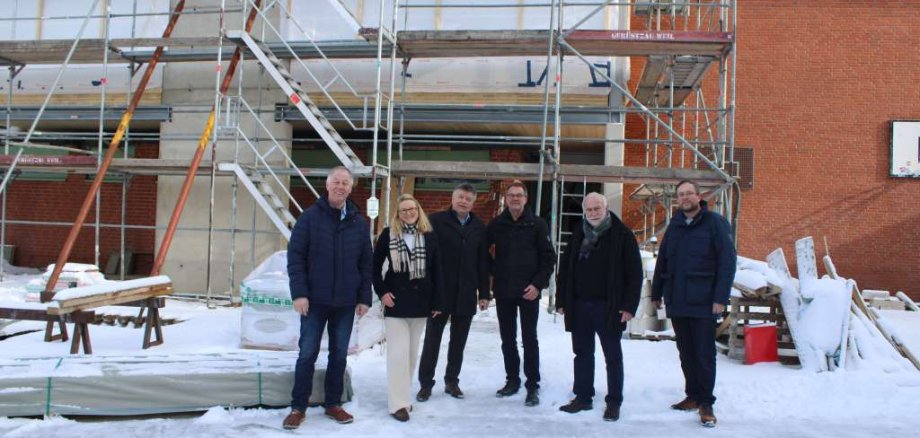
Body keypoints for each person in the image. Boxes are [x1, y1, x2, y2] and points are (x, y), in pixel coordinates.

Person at [283, 166, 372, 430]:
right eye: (336, 182)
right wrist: (299, 293)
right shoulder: (310, 218)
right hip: (314, 301)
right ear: (328, 185)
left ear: (351, 187)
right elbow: (295, 257)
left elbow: (366, 263)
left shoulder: (358, 222)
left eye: (345, 182)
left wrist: (364, 298)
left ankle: (333, 404)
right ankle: (298, 407)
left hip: (345, 303)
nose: (341, 186)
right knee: (307, 354)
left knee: (339, 354)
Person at [651, 180, 736, 428]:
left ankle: (706, 402)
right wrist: (656, 292)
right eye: (681, 194)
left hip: (703, 301)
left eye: (689, 193)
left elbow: (727, 263)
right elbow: (663, 261)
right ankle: (693, 395)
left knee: (704, 353)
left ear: (699, 197)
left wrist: (721, 298)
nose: (685, 198)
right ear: (677, 200)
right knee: (685, 352)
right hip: (677, 300)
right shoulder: (675, 226)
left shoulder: (715, 224)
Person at [555, 193, 642, 422]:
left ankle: (614, 401)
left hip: (609, 307)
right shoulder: (578, 233)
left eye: (597, 208)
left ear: (605, 208)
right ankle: (583, 397)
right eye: (589, 209)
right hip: (580, 305)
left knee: (612, 356)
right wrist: (562, 300)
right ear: (585, 212)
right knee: (582, 353)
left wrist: (629, 307)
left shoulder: (622, 234)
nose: (593, 213)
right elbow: (565, 268)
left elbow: (634, 274)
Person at [373, 194, 444, 422]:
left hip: (422, 303)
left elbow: (438, 271)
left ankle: (403, 397)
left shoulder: (430, 236)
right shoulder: (388, 235)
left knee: (411, 355)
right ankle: (398, 405)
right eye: (403, 210)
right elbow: (374, 268)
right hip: (396, 303)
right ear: (398, 214)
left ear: (418, 210)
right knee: (397, 355)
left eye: (411, 208)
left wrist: (438, 302)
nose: (408, 213)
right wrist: (382, 292)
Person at [417, 183, 491, 402]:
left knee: (459, 342)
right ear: (452, 198)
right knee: (432, 340)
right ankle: (426, 384)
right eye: (460, 197)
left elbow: (482, 262)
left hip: (466, 293)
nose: (463, 201)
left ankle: (452, 381)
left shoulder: (478, 226)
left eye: (468, 198)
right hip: (440, 293)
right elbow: (427, 257)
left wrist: (484, 293)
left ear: (473, 202)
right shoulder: (435, 220)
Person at [486, 180, 556, 407]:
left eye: (519, 195)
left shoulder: (537, 224)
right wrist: (491, 273)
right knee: (508, 339)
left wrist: (537, 285)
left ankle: (532, 385)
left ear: (526, 199)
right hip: (504, 291)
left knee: (529, 339)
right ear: (506, 199)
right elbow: (482, 252)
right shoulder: (497, 224)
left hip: (529, 292)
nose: (515, 198)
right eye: (511, 195)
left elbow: (548, 258)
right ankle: (512, 380)